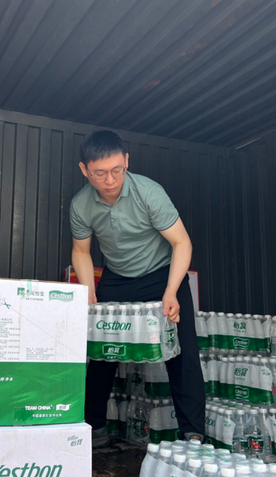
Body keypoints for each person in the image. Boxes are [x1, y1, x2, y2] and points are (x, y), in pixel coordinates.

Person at [70, 130, 205, 447]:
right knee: (102, 351)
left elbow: (181, 242)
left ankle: (193, 433)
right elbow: (81, 251)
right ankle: (93, 427)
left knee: (182, 353)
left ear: (127, 161)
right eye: (100, 173)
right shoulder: (80, 205)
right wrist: (89, 291)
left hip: (162, 275)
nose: (110, 180)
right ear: (84, 170)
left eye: (117, 170)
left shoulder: (149, 192)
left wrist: (171, 291)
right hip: (117, 278)